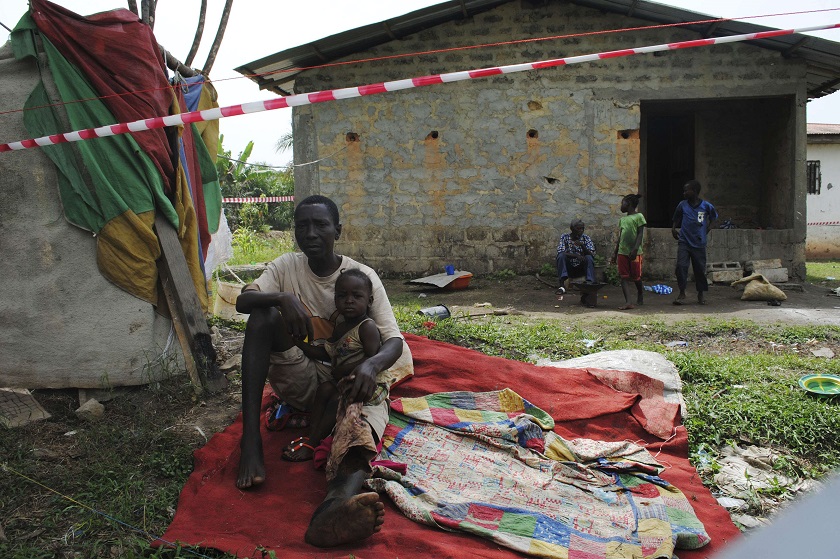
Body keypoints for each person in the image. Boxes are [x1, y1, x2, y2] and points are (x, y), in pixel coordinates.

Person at [234, 195, 413, 547]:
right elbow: (242, 300)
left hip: (351, 382)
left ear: (338, 231)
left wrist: (370, 364)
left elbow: (394, 342)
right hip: (303, 379)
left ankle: (335, 507)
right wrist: (282, 298)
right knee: (262, 316)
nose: (311, 233)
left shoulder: (363, 278)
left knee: (357, 432)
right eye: (302, 225)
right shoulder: (286, 267)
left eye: (320, 225)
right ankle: (250, 440)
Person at [282, 268, 382, 466]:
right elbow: (327, 352)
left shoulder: (367, 327)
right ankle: (312, 433)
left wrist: (346, 370)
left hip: (365, 384)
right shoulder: (340, 328)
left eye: (357, 296)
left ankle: (312, 442)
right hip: (341, 381)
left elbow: (373, 357)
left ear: (369, 301)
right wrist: (300, 345)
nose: (349, 300)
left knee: (336, 398)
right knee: (324, 389)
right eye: (342, 296)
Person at [672, 180, 718, 305]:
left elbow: (714, 218)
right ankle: (682, 292)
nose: (684, 193)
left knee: (699, 269)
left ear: (695, 191)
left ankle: (701, 293)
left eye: (687, 190)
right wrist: (673, 229)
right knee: (681, 266)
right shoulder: (682, 205)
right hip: (684, 241)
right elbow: (676, 218)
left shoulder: (706, 206)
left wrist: (707, 230)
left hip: (699, 243)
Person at [612, 194, 646, 310]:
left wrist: (635, 249)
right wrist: (615, 253)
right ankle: (628, 302)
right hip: (623, 252)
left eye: (623, 203)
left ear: (629, 204)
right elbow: (621, 237)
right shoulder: (622, 220)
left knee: (636, 277)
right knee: (624, 277)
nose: (621, 206)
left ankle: (640, 293)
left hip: (635, 252)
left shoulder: (639, 217)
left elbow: (640, 233)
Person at [555, 219, 596, 291]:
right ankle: (562, 283)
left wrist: (582, 245)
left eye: (582, 228)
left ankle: (590, 282)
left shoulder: (586, 238)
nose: (581, 230)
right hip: (569, 267)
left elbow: (591, 254)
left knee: (589, 257)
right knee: (561, 256)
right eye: (578, 228)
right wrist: (576, 256)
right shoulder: (565, 237)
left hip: (581, 267)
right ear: (572, 229)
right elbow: (561, 252)